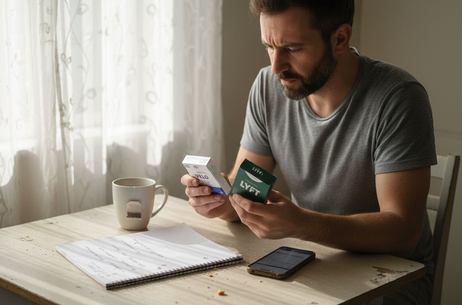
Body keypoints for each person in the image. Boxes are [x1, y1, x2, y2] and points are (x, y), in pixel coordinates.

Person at [180, 0, 436, 304]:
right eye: (269, 47)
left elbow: (403, 232)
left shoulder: (398, 98)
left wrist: (301, 224)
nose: (276, 66)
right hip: (310, 261)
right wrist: (221, 202)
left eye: (293, 48)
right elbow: (247, 189)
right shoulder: (267, 87)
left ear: (340, 39)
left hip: (390, 279)